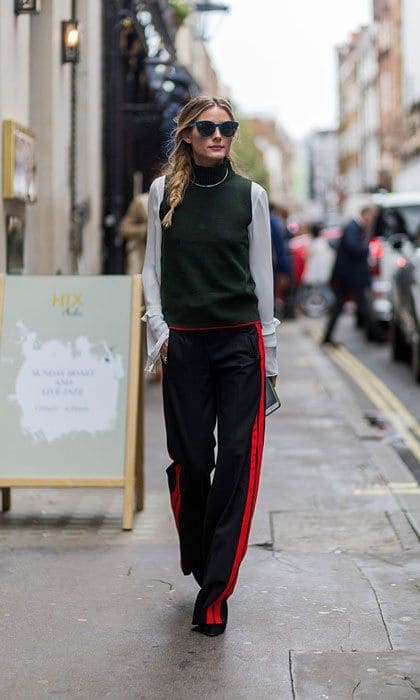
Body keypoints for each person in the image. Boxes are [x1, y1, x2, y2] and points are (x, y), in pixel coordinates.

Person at [142, 95, 278, 637]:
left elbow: (262, 279)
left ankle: (215, 591)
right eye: (207, 128)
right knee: (194, 461)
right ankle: (198, 552)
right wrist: (160, 329)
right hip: (187, 346)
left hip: (241, 344)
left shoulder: (252, 196)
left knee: (237, 463)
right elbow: (152, 268)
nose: (218, 135)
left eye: (227, 128)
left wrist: (272, 359)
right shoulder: (161, 194)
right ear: (188, 135)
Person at [321, 206, 376, 345]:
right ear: (364, 214)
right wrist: (367, 248)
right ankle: (375, 334)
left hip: (349, 276)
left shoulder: (356, 227)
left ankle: (374, 334)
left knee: (358, 305)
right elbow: (354, 248)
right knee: (358, 305)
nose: (371, 220)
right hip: (348, 277)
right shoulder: (353, 227)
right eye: (370, 216)